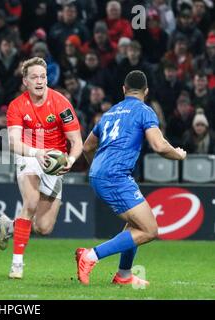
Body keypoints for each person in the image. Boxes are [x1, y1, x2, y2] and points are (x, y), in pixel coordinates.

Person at [76, 70, 187, 286]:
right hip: (115, 175)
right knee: (149, 230)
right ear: (146, 91)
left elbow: (88, 146)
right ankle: (90, 256)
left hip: (101, 173)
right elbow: (159, 145)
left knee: (134, 223)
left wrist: (98, 169)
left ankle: (124, 275)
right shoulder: (144, 111)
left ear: (124, 90)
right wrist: (179, 155)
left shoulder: (109, 113)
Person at [0, 57, 83, 279]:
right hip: (30, 155)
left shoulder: (61, 103)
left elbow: (77, 142)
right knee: (31, 201)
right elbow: (14, 142)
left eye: (43, 77)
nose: (39, 81)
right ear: (25, 81)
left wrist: (70, 162)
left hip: (55, 162)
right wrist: (36, 152)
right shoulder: (17, 106)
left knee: (44, 227)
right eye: (34, 77)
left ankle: (11, 226)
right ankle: (17, 264)